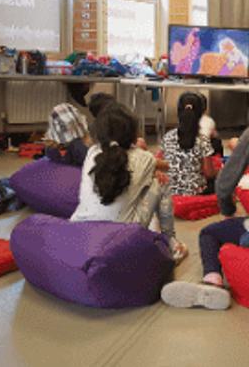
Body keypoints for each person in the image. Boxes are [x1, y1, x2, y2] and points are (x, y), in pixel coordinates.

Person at [70, 102, 186, 263]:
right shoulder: (143, 158)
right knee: (162, 181)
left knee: (145, 181)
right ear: (133, 132)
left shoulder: (92, 153)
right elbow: (166, 166)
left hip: (80, 228)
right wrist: (144, 151)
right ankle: (170, 241)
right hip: (123, 235)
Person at [161, 127, 249, 310]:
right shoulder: (203, 139)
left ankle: (212, 279)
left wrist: (228, 210)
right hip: (198, 188)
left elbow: (223, 185)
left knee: (209, 233)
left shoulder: (167, 138)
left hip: (177, 194)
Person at [160, 92, 216, 196]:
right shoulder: (202, 140)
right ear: (200, 114)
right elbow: (209, 173)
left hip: (169, 190)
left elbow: (163, 163)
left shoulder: (167, 136)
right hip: (195, 191)